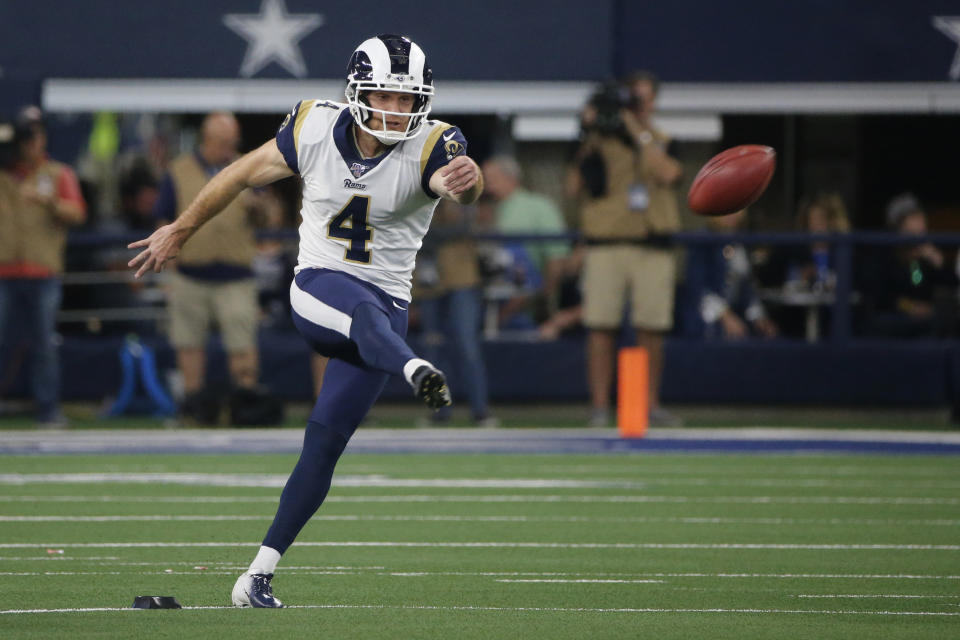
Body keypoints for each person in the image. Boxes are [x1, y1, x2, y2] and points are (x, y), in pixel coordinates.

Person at [128, 34, 482, 607]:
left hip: (387, 309)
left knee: (324, 445)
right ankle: (415, 369)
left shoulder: (435, 144)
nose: (396, 109)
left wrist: (465, 184)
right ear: (357, 92)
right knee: (366, 316)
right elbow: (240, 173)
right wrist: (182, 228)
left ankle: (256, 576)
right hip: (318, 289)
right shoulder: (315, 126)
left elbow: (456, 184)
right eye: (384, 96)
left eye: (405, 98)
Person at [569, 73, 684, 428]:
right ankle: (600, 406)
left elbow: (668, 174)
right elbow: (573, 188)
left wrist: (635, 128)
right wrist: (588, 132)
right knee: (600, 326)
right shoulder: (597, 144)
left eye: (642, 100)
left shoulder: (661, 140)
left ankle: (649, 404)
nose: (635, 107)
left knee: (652, 327)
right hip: (606, 244)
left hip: (652, 244)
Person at [153, 111, 265, 424]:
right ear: (207, 139)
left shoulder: (249, 164)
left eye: (232, 142)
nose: (228, 149)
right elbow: (164, 217)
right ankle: (193, 408)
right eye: (222, 142)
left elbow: (270, 218)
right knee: (189, 346)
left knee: (242, 344)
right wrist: (167, 266)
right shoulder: (179, 171)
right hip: (190, 271)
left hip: (236, 273)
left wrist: (261, 208)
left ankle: (245, 406)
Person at [0, 107, 87, 427]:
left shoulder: (57, 174)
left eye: (34, 137)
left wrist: (48, 201)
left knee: (44, 345)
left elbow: (78, 214)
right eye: (25, 138)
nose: (29, 145)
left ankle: (47, 410)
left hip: (42, 271)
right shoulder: (3, 175)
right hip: (3, 272)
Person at [414, 199, 494, 426]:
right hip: (429, 280)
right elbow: (413, 227)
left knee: (467, 345)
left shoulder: (461, 183)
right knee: (433, 348)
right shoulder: (418, 178)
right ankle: (438, 410)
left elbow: (467, 225)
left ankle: (480, 411)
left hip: (462, 278)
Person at [481, 155, 570, 327]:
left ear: (511, 178)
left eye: (491, 179)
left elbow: (557, 259)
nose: (487, 186)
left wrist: (544, 301)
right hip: (489, 300)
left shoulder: (539, 206)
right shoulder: (484, 211)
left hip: (529, 307)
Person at [862, 193, 958, 338]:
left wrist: (940, 263)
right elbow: (879, 294)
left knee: (942, 323)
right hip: (893, 318)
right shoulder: (886, 252)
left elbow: (952, 283)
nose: (921, 223)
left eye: (921, 218)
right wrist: (909, 306)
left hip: (925, 322)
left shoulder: (927, 254)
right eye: (914, 219)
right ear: (899, 225)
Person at [681, 209, 778, 340]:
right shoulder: (703, 239)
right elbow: (697, 287)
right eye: (724, 209)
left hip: (736, 315)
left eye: (736, 209)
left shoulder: (741, 240)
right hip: (706, 319)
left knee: (769, 336)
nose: (731, 214)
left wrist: (759, 317)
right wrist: (726, 316)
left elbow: (747, 288)